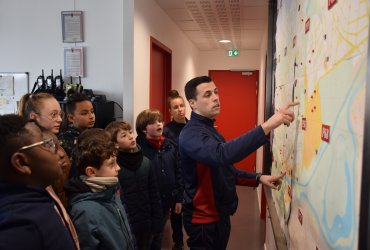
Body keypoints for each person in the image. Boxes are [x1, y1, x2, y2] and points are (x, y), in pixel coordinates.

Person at [179, 76, 297, 249]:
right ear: (192, 103)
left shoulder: (208, 129)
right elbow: (222, 155)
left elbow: (225, 170)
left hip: (219, 216)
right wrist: (268, 125)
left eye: (216, 92)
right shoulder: (191, 135)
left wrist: (258, 178)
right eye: (207, 94)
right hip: (203, 221)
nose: (215, 97)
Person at [0, 114, 79, 250]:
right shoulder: (22, 225)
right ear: (21, 162)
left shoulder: (34, 201)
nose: (59, 153)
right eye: (46, 144)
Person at [64, 128, 136, 250]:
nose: (118, 168)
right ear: (91, 171)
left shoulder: (110, 191)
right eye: (111, 164)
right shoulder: (84, 211)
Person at [106, 121, 163, 250]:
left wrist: (157, 221)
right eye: (124, 135)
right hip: (127, 225)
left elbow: (154, 194)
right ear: (115, 144)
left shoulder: (146, 162)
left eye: (130, 132)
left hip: (147, 222)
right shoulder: (114, 168)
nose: (131, 136)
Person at [136, 109, 183, 250]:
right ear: (144, 129)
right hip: (150, 202)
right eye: (153, 122)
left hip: (170, 197)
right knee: (151, 237)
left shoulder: (170, 145)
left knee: (160, 234)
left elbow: (179, 172)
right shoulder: (138, 150)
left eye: (160, 121)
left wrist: (179, 198)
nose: (159, 124)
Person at [18, 92, 71, 206]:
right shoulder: (29, 148)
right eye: (53, 115)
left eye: (60, 114)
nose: (60, 119)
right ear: (34, 117)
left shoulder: (54, 140)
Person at [163, 90, 187, 250]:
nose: (180, 109)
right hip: (175, 176)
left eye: (182, 105)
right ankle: (178, 241)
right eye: (175, 107)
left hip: (192, 175)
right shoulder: (166, 132)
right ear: (170, 111)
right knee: (177, 211)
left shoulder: (193, 127)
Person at [58, 93, 95, 177]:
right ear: (71, 118)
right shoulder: (62, 140)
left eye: (92, 111)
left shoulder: (95, 135)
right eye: (84, 113)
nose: (91, 116)